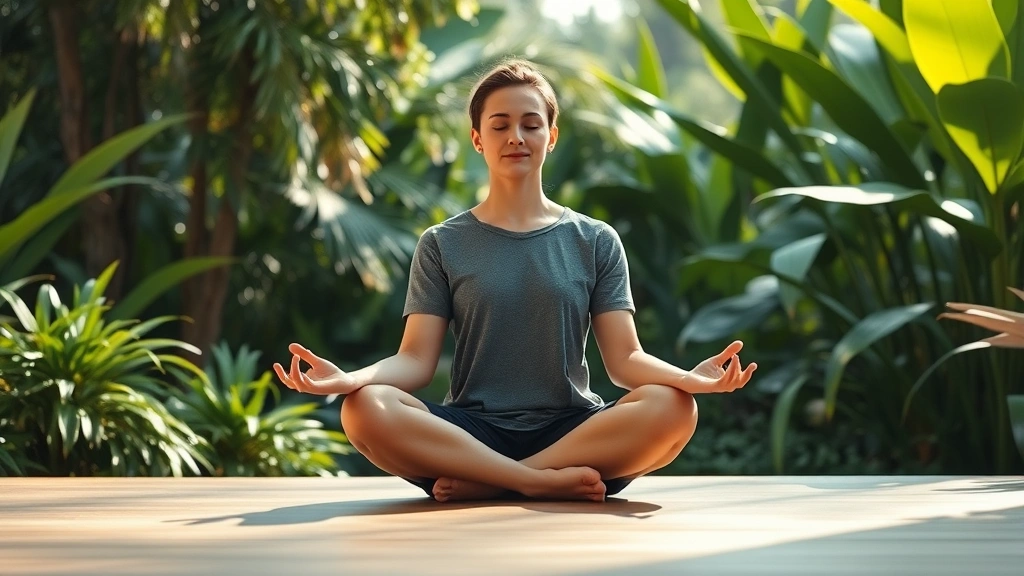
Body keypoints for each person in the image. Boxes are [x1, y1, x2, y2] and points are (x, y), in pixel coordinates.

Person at [274, 59, 756, 503]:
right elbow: (415, 361)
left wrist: (688, 379)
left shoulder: (595, 239)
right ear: (478, 139)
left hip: (574, 433)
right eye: (499, 125)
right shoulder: (443, 243)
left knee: (676, 409)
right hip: (470, 432)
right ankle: (533, 482)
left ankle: (491, 481)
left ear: (552, 135)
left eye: (531, 124)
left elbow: (625, 361)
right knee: (362, 409)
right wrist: (350, 380)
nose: (516, 137)